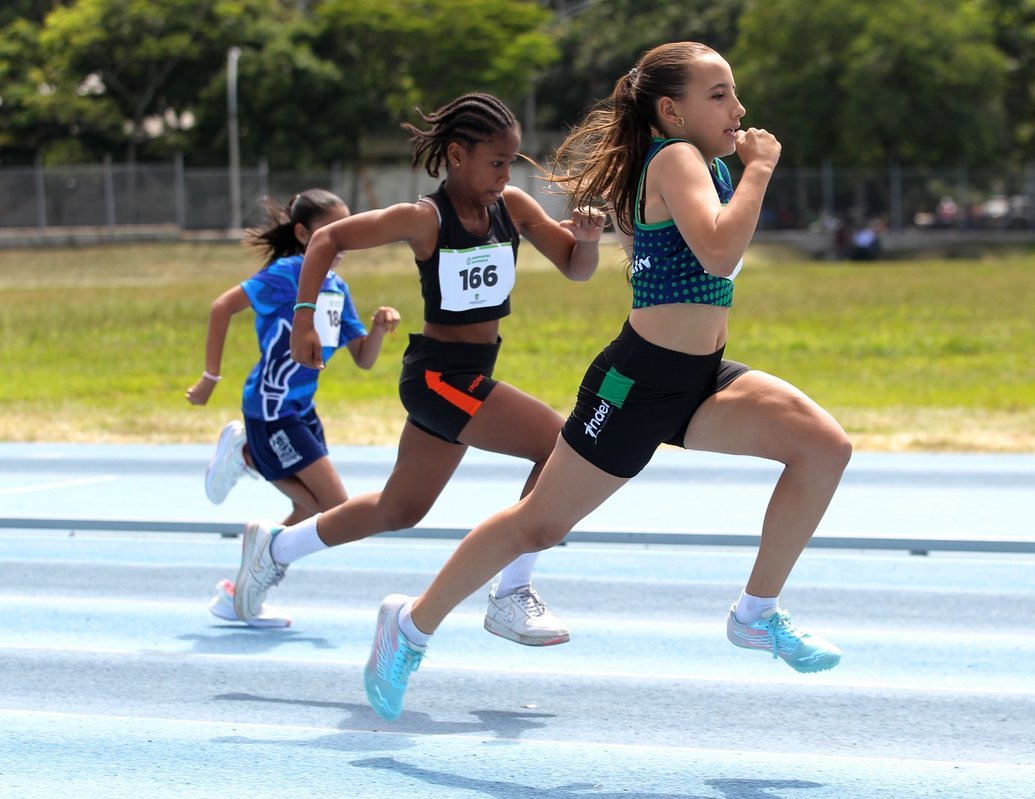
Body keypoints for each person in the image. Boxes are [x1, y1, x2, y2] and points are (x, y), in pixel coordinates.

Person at [357, 42, 853, 721]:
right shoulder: (678, 157)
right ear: (671, 109)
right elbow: (718, 247)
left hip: (702, 378)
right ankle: (409, 627)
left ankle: (756, 613)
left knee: (824, 447)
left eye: (735, 94)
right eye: (719, 95)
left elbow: (690, 254)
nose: (738, 109)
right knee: (537, 524)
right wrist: (761, 170)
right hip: (637, 383)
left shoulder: (703, 164)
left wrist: (733, 177)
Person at [235, 93, 604, 643]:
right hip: (441, 378)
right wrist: (304, 318)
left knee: (399, 508)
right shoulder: (425, 218)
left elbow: (577, 268)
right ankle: (512, 590)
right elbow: (331, 237)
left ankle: (275, 547)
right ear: (457, 155)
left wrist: (591, 240)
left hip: (463, 377)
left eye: (512, 162)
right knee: (559, 445)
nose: (506, 174)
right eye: (496, 162)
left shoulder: (515, 210)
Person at [186, 188, 402, 627]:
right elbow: (222, 307)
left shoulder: (337, 288)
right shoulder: (287, 274)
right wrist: (210, 377)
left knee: (314, 512)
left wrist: (378, 328)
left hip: (302, 411)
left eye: (345, 231)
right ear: (303, 234)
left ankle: (239, 590)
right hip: (272, 410)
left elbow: (362, 357)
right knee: (337, 507)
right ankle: (247, 454)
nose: (340, 242)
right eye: (330, 231)